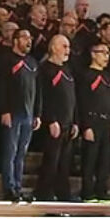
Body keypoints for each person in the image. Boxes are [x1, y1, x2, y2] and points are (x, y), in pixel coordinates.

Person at [0, 29, 41, 203]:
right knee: (10, 151)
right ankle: (9, 188)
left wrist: (37, 113)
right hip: (13, 112)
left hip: (28, 114)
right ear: (15, 40)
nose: (29, 41)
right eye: (25, 37)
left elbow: (38, 90)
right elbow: (1, 87)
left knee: (21, 153)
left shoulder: (32, 63)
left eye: (30, 38)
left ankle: (18, 186)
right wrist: (4, 110)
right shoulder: (6, 60)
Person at [36, 35, 77, 201]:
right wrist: (51, 120)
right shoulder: (45, 69)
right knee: (51, 161)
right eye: (64, 46)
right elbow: (44, 97)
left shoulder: (68, 70)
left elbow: (73, 98)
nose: (68, 50)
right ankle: (44, 193)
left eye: (69, 47)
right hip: (53, 122)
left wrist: (75, 122)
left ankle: (63, 193)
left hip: (68, 122)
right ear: (53, 48)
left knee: (65, 162)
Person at [78, 42, 110, 202]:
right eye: (103, 53)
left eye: (108, 53)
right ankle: (87, 192)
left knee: (105, 159)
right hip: (92, 121)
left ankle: (102, 191)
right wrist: (86, 126)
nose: (106, 56)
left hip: (107, 123)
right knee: (90, 159)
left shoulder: (109, 77)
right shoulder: (85, 75)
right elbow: (82, 102)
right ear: (93, 54)